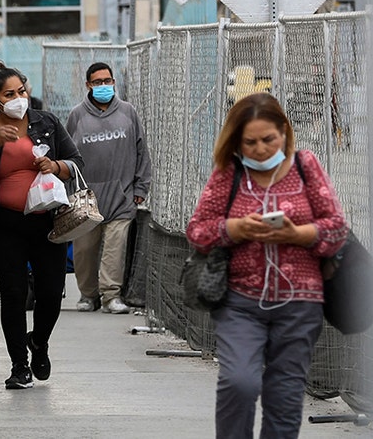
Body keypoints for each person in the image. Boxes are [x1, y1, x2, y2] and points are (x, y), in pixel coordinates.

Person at [187, 93, 347, 438]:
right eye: (250, 142)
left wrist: (299, 233)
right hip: (241, 302)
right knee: (238, 382)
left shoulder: (307, 166)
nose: (260, 149)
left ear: (284, 134)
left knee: (285, 397)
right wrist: (235, 228)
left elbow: (336, 228)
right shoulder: (229, 174)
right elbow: (197, 230)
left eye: (268, 140)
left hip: (301, 304)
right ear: (237, 142)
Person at [0, 61, 83, 390]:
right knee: (12, 295)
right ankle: (19, 365)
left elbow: (77, 162)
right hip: (8, 226)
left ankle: (39, 343)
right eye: (9, 94)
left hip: (48, 222)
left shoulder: (48, 123)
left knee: (51, 293)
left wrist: (55, 165)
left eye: (21, 91)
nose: (18, 98)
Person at [65, 62, 152, 314]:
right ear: (88, 85)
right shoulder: (77, 115)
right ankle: (88, 295)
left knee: (115, 250)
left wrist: (140, 188)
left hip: (121, 196)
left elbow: (141, 151)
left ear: (114, 82)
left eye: (107, 81)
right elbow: (68, 155)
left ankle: (111, 296)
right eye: (97, 82)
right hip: (87, 198)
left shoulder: (128, 112)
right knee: (84, 250)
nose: (103, 86)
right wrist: (71, 191)